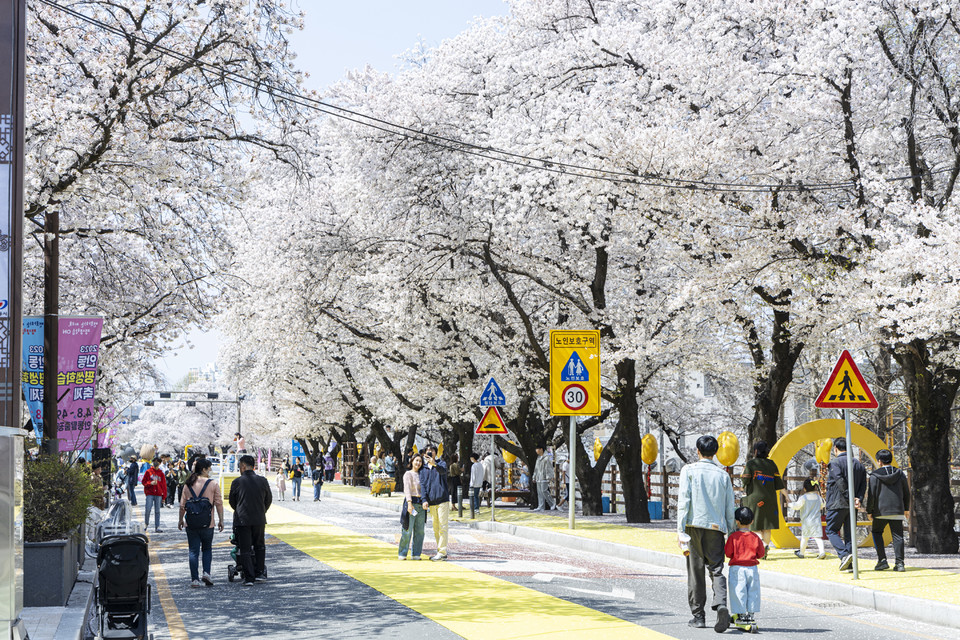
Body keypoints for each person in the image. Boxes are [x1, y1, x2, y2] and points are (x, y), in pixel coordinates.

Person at [677, 435, 735, 632]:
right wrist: (732, 532)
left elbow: (684, 501)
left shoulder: (689, 470)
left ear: (697, 451)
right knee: (716, 569)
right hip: (716, 528)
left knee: (696, 571)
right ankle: (721, 604)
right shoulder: (723, 475)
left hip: (693, 525)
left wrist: (680, 531)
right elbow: (729, 507)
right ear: (716, 452)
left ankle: (698, 615)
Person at [178, 458, 224, 587]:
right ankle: (206, 573)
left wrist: (181, 519)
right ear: (203, 469)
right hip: (208, 523)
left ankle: (194, 579)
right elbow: (218, 503)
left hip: (191, 523)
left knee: (193, 551)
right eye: (209, 468)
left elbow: (183, 505)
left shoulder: (188, 484)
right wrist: (221, 520)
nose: (210, 470)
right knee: (207, 549)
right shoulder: (213, 484)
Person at [229, 455, 272, 586]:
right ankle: (260, 573)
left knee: (245, 548)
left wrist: (240, 510)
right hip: (259, 518)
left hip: (242, 520)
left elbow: (232, 502)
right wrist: (261, 510)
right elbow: (268, 499)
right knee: (260, 546)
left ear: (243, 466)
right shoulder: (263, 480)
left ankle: (249, 578)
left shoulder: (237, 482)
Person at [825, 436, 866, 571]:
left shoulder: (835, 463)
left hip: (837, 503)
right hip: (853, 504)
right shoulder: (859, 464)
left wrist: (849, 497)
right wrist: (857, 498)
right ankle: (849, 564)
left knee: (830, 530)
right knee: (850, 534)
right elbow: (863, 485)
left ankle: (844, 555)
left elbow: (840, 481)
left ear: (835, 449)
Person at [866, 448, 909, 572]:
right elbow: (906, 492)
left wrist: (870, 511)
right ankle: (900, 563)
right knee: (898, 536)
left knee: (877, 532)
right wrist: (906, 508)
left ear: (879, 461)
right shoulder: (900, 474)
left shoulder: (874, 475)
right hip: (897, 509)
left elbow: (872, 495)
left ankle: (882, 560)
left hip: (880, 510)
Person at [725, 506, 765, 632]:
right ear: (752, 521)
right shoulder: (755, 537)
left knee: (738, 591)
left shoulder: (734, 537)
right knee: (753, 591)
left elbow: (728, 553)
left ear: (737, 521)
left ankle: (741, 615)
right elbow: (761, 553)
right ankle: (750, 614)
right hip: (752, 568)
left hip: (737, 568)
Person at [740, 440, 784, 551]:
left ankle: (763, 546)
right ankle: (765, 548)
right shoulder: (772, 464)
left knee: (755, 526)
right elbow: (778, 483)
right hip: (770, 499)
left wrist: (742, 475)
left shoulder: (751, 464)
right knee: (767, 527)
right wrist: (787, 497)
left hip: (755, 499)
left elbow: (745, 480)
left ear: (755, 451)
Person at [420, 445, 449, 561]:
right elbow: (423, 485)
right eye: (427, 451)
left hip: (442, 500)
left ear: (435, 453)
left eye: (431, 451)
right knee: (436, 528)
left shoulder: (441, 464)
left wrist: (434, 463)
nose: (429, 453)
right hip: (432, 502)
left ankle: (442, 551)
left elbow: (443, 472)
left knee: (443, 526)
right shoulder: (424, 469)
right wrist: (424, 499)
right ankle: (440, 551)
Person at [398, 454, 426, 560]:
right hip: (411, 504)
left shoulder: (422, 474)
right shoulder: (408, 474)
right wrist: (409, 503)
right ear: (412, 461)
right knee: (407, 530)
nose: (418, 463)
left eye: (420, 461)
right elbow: (407, 490)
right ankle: (402, 553)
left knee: (420, 531)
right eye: (416, 460)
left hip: (421, 505)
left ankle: (416, 554)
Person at [790, 479, 826, 559]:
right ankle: (822, 552)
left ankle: (801, 553)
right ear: (815, 488)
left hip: (806, 521)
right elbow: (823, 505)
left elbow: (797, 506)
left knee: (804, 537)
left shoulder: (803, 497)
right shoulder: (818, 497)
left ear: (805, 489)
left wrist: (790, 504)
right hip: (816, 521)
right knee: (818, 537)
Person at [142, 458, 167, 533]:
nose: (156, 463)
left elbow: (164, 486)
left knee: (157, 511)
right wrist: (150, 483)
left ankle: (157, 526)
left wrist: (164, 496)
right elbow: (144, 482)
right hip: (150, 493)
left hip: (158, 494)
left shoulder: (161, 473)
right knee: (148, 509)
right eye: (154, 462)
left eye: (157, 462)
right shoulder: (148, 472)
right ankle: (146, 524)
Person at [532, 445, 557, 511]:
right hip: (538, 477)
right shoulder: (538, 458)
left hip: (544, 477)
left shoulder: (547, 457)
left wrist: (549, 477)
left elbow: (549, 468)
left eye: (537, 449)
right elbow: (536, 468)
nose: (536, 451)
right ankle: (541, 506)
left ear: (541, 449)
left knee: (544, 491)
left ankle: (552, 503)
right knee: (539, 492)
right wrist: (534, 476)